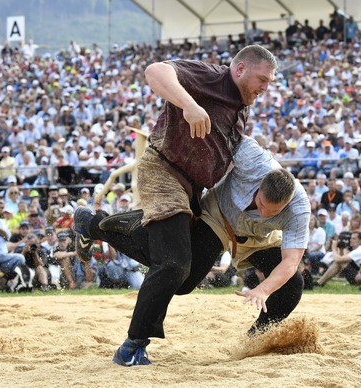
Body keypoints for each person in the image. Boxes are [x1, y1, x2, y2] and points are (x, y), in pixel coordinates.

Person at [72, 46, 278, 366]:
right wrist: (190, 105)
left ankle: (93, 224)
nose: (266, 87)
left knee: (184, 279)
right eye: (262, 79)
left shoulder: (242, 106)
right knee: (173, 263)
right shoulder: (210, 76)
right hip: (163, 170)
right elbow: (155, 71)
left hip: (194, 189)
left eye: (269, 82)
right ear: (240, 70)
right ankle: (132, 346)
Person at [74, 136, 309, 366]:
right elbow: (220, 133)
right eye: (261, 204)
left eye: (273, 211)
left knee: (292, 285)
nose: (264, 212)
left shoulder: (299, 209)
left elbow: (290, 262)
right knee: (181, 279)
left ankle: (254, 342)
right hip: (218, 217)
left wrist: (262, 290)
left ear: (287, 204)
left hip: (259, 237)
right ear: (259, 185)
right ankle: (104, 225)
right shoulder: (253, 158)